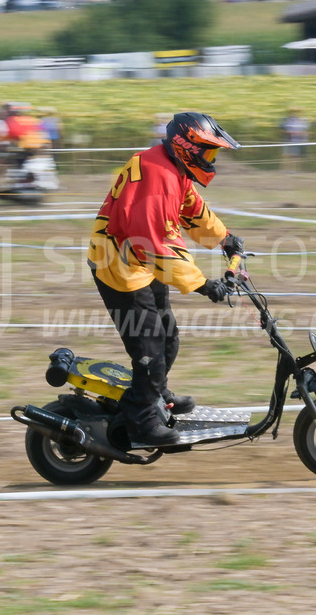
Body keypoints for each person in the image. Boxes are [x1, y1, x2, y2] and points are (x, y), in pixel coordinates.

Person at [88, 111, 245, 446]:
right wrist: (203, 284)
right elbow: (156, 242)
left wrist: (224, 237)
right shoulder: (158, 176)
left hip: (139, 261)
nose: (211, 160)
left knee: (168, 336)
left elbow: (191, 208)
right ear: (186, 145)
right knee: (150, 347)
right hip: (119, 266)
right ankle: (141, 421)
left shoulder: (171, 168)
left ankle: (155, 392)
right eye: (209, 152)